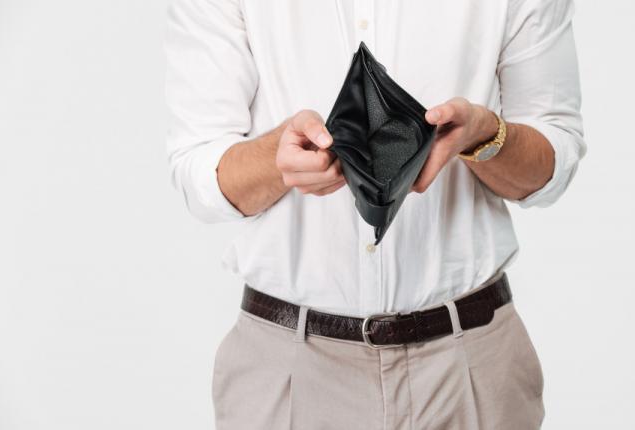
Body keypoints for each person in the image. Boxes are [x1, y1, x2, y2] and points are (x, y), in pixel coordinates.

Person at [164, 0, 585, 428]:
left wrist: (485, 136)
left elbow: (553, 158)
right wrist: (278, 158)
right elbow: (200, 172)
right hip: (288, 370)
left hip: (468, 365)